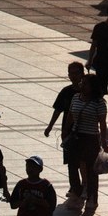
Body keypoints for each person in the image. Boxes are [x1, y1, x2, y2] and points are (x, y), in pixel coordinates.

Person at [44, 62, 85, 204]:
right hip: (68, 133)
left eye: (76, 73)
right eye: (71, 73)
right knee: (71, 162)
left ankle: (84, 187)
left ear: (82, 74)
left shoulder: (87, 91)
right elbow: (58, 110)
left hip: (84, 132)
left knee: (83, 162)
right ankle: (75, 187)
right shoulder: (66, 92)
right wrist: (50, 127)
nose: (73, 76)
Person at [69, 74, 108, 216]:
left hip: (90, 138)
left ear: (93, 87)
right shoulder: (75, 98)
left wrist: (103, 142)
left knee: (92, 171)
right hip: (76, 137)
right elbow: (70, 116)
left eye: (85, 84)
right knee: (72, 166)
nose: (82, 85)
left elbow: (102, 124)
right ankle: (77, 194)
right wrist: (66, 133)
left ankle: (92, 199)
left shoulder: (99, 103)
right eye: (82, 82)